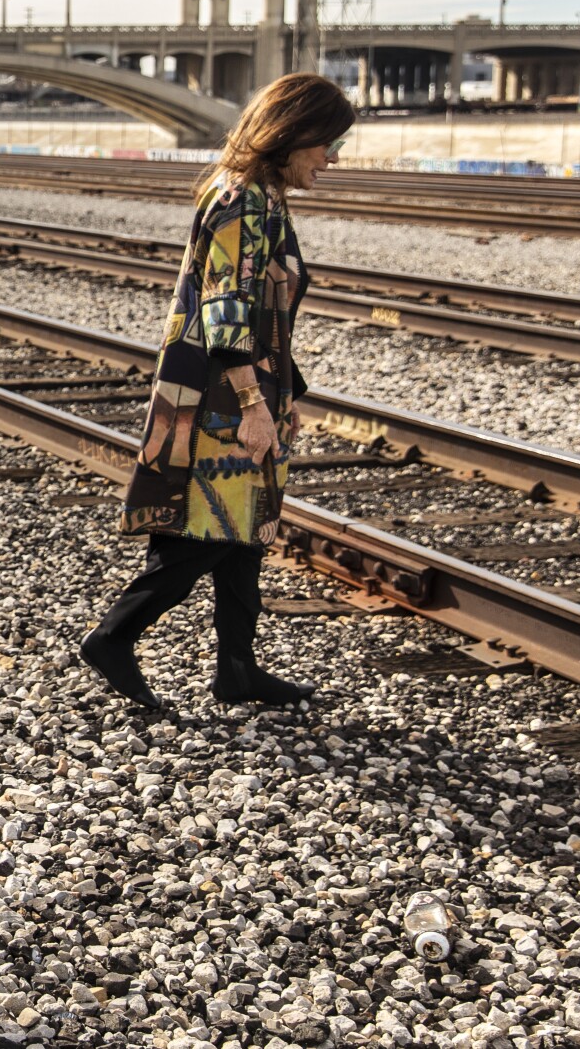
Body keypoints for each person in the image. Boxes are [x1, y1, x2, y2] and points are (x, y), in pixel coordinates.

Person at [80, 72, 356, 711]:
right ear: (294, 134)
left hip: (237, 387)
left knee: (243, 531)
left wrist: (283, 394)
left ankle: (237, 668)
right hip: (222, 397)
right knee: (210, 530)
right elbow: (225, 307)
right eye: (327, 143)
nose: (332, 158)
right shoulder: (244, 201)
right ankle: (114, 637)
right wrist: (255, 406)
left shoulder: (255, 194)